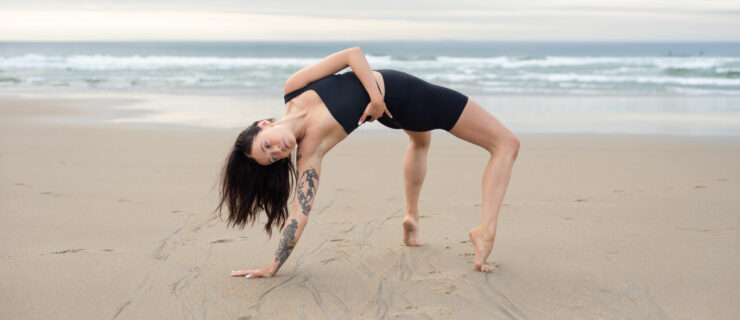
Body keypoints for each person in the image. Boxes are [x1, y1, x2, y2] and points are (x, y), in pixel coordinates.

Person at [217, 47, 519, 279]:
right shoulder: (310, 152)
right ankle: (485, 230)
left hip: (388, 106)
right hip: (410, 98)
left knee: (419, 141)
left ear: (264, 124)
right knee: (506, 144)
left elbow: (352, 54)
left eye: (268, 144)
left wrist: (375, 100)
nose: (278, 150)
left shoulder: (294, 88)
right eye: (273, 158)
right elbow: (300, 213)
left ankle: (411, 218)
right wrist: (272, 266)